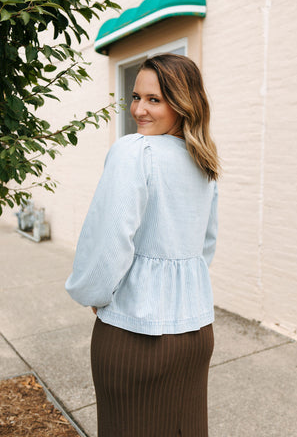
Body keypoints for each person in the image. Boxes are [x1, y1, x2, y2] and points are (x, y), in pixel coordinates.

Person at [65, 53, 220, 437]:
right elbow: (205, 247)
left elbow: (108, 240)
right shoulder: (204, 161)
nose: (139, 110)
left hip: (135, 336)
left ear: (183, 103)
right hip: (196, 334)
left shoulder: (134, 151)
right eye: (136, 97)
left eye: (154, 99)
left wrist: (94, 295)